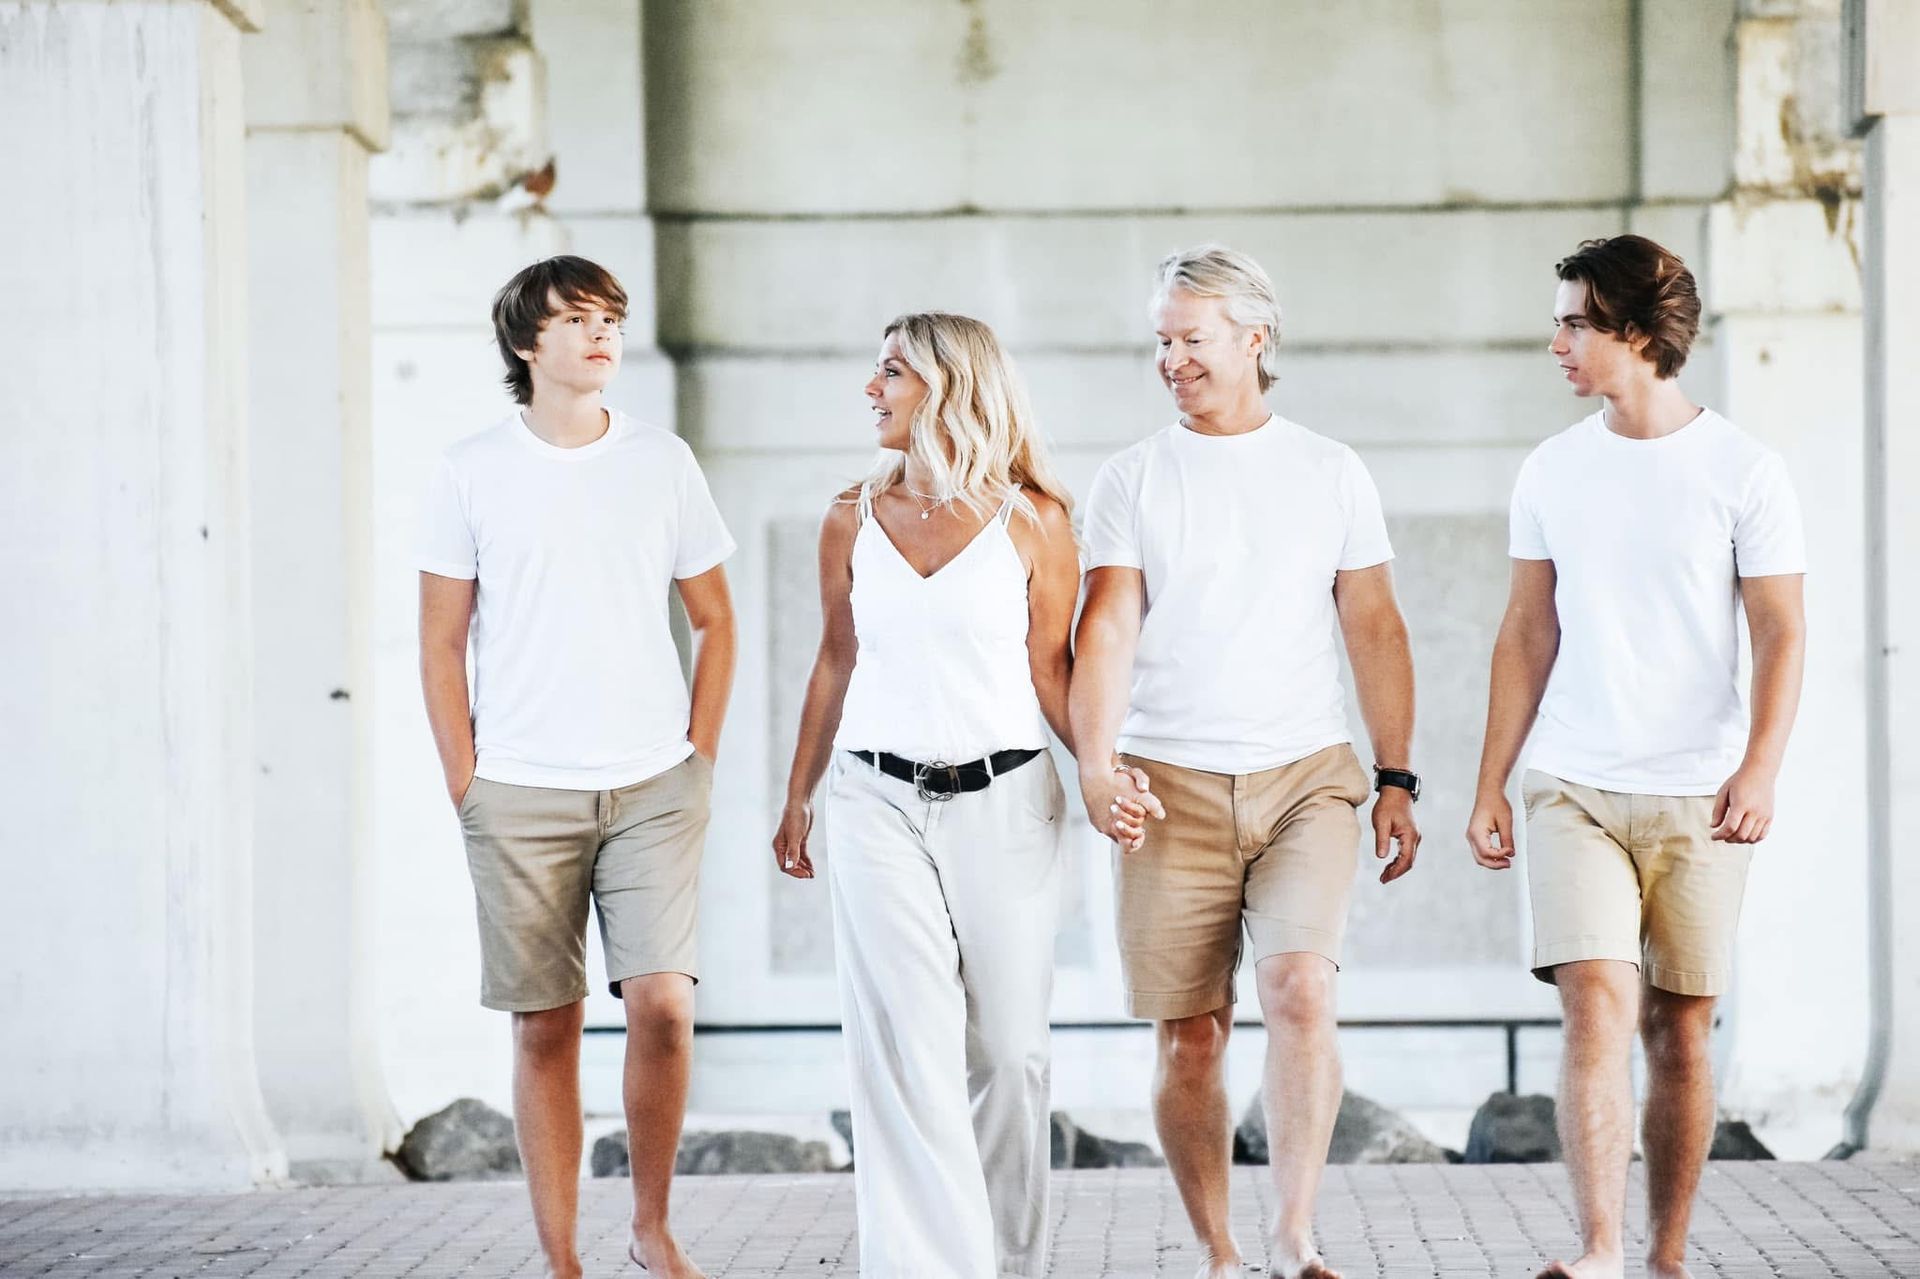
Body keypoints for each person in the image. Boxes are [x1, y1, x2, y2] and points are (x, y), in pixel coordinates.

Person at [1070, 245, 1422, 1279]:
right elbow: (1107, 634)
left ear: (1254, 340)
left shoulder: (1330, 470)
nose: (1173, 359)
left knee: (1302, 988)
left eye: (1192, 338)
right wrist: (1097, 764)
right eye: (1162, 341)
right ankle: (1221, 1250)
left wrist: (1395, 776)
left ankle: (1293, 1231)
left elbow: (1377, 630)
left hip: (1306, 774)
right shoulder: (1130, 478)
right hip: (1164, 780)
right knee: (1192, 1036)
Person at [1465, 234, 1807, 1279]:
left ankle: (1665, 1255)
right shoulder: (1553, 467)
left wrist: (1759, 768)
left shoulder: (1746, 470)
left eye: (1575, 320)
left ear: (1633, 329)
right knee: (1596, 1003)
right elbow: (1528, 631)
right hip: (1572, 779)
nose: (1557, 341)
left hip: (1700, 792)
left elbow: (1782, 631)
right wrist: (1489, 783)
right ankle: (1601, 1250)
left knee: (1682, 1029)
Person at [772, 312, 1131, 1278]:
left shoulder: (1034, 521)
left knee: (1010, 1053)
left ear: (950, 384)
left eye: (891, 370)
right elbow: (835, 660)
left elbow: (1053, 672)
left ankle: (1010, 1264)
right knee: (907, 1045)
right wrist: (799, 792)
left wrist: (1101, 767)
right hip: (874, 800)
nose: (871, 388)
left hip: (1007, 800)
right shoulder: (850, 512)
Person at [416, 256, 737, 1279]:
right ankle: (562, 1258)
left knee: (664, 1005)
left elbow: (716, 619)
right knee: (546, 1025)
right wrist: (466, 779)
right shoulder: (470, 467)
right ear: (525, 343)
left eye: (611, 318)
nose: (601, 335)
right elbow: (438, 641)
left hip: (654, 783)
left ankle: (650, 1223)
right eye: (576, 319)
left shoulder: (662, 459)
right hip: (517, 790)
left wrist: (700, 755)